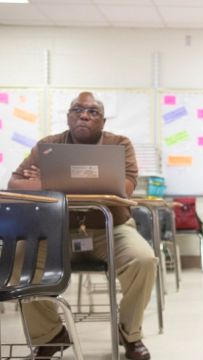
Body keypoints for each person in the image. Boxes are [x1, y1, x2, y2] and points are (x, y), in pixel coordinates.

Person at [8, 91, 157, 360]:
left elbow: (125, 188)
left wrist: (51, 181)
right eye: (77, 110)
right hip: (58, 232)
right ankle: (51, 335)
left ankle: (129, 333)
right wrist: (94, 182)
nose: (84, 115)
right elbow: (16, 185)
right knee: (19, 260)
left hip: (112, 229)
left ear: (102, 121)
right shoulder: (47, 146)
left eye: (92, 112)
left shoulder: (119, 144)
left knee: (144, 260)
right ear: (68, 117)